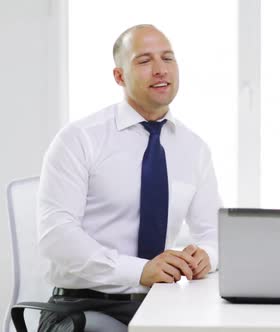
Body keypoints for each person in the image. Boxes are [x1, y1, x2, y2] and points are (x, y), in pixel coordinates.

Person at [37, 24, 221, 330]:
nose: (161, 70)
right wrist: (138, 271)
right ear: (120, 76)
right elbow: (56, 236)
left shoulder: (194, 149)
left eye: (168, 58)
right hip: (81, 306)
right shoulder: (80, 139)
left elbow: (214, 232)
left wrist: (208, 256)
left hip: (160, 305)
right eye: (145, 61)